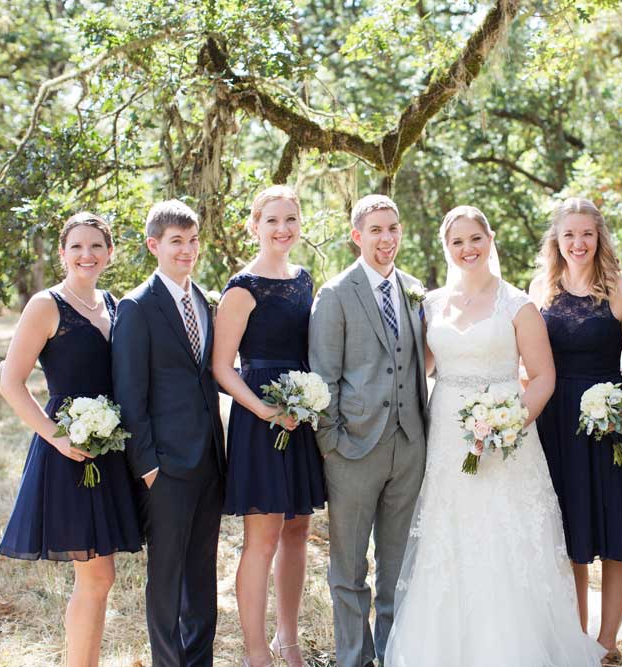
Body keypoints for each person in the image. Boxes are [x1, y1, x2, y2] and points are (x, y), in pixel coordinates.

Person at [384, 205, 606, 667]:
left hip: (508, 440)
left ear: (490, 240)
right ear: (447, 248)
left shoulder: (517, 304)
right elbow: (419, 367)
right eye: (457, 242)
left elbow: (543, 376)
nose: (468, 249)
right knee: (452, 535)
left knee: (505, 537)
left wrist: (510, 424)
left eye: (475, 239)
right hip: (448, 437)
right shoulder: (430, 305)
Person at [0, 213, 141, 667]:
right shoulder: (46, 305)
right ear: (62, 253)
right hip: (70, 451)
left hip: (111, 449)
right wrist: (56, 437)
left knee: (101, 577)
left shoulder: (115, 303)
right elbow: (11, 383)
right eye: (76, 246)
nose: (87, 255)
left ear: (110, 253)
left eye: (96, 246)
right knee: (97, 576)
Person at [530, 197, 622, 661]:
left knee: (615, 529)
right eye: (569, 235)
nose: (578, 243)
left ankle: (607, 641)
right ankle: (575, 635)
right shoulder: (540, 289)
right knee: (569, 534)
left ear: (599, 237)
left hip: (607, 422)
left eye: (586, 234)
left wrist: (621, 407)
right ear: (557, 241)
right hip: (555, 423)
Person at [307, 194, 428, 667]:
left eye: (392, 228)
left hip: (409, 445)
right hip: (352, 449)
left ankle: (395, 654)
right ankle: (354, 658)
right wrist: (331, 443)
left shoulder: (414, 290)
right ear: (357, 236)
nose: (386, 238)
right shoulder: (335, 294)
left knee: (399, 567)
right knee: (350, 568)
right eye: (375, 230)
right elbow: (323, 377)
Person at [212, 186, 326, 667]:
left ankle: (288, 639)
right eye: (273, 220)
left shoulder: (305, 281)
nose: (283, 229)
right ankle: (256, 653)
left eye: (292, 219)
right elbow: (221, 366)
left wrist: (308, 403)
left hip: (300, 413)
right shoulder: (242, 287)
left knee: (298, 528)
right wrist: (263, 410)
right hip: (259, 417)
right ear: (254, 226)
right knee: (262, 538)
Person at [111, 200, 226, 667]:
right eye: (177, 241)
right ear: (153, 245)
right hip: (166, 466)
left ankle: (199, 661)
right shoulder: (137, 306)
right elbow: (129, 393)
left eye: (193, 240)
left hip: (210, 463)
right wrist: (148, 466)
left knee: (202, 573)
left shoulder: (202, 299)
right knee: (166, 576)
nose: (187, 250)